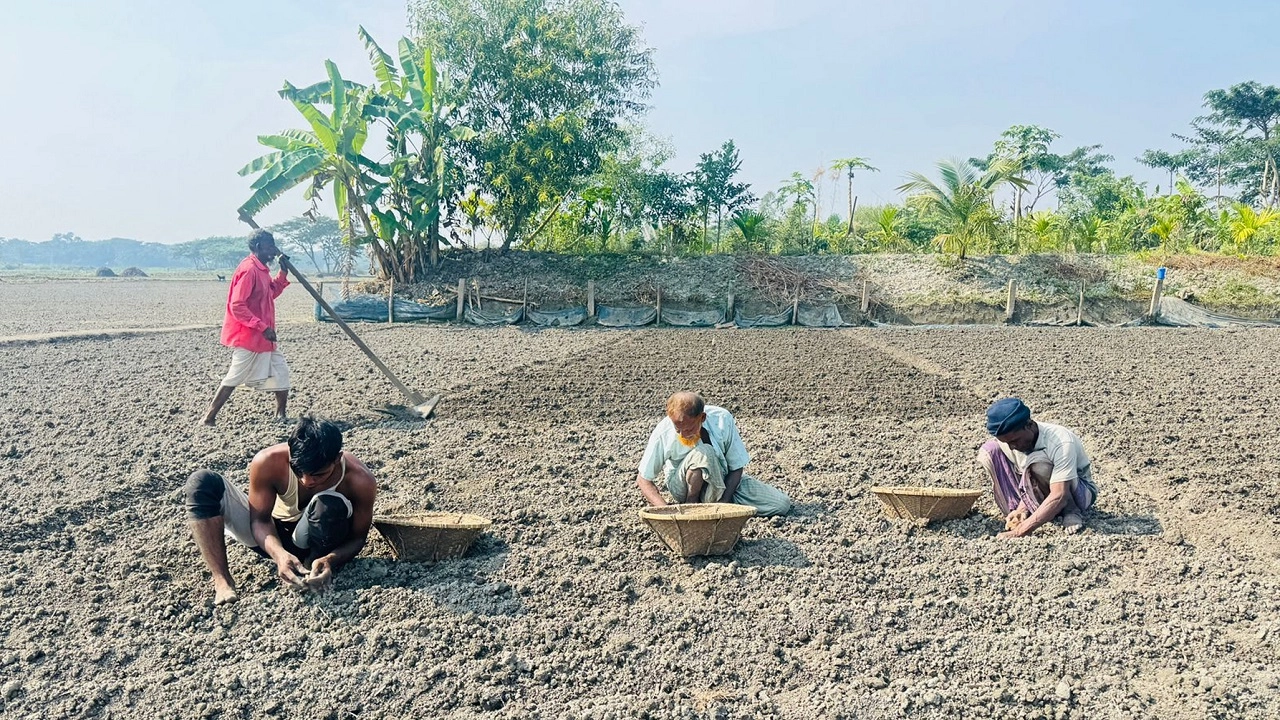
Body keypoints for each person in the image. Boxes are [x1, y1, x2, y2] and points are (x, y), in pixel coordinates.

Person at [185, 416, 376, 604]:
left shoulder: (360, 479)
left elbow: (357, 538)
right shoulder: (269, 462)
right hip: (273, 535)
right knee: (202, 482)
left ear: (337, 458)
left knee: (326, 505)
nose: (306, 481)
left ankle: (311, 566)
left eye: (319, 475)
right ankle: (222, 581)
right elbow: (259, 520)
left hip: (323, 540)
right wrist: (279, 554)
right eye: (298, 471)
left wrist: (330, 560)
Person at [636, 392, 791, 516]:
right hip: (683, 488)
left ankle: (713, 507)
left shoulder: (722, 420)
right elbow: (644, 479)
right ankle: (692, 507)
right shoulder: (663, 432)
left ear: (702, 417)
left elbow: (736, 467)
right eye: (678, 429)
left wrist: (724, 502)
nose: (683, 435)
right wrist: (666, 512)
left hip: (720, 484)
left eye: (689, 429)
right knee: (705, 452)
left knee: (781, 504)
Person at [201, 229, 291, 426]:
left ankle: (280, 414)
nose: (274, 252)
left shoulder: (262, 269)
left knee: (281, 371)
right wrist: (261, 327)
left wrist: (283, 271)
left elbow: (271, 293)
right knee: (235, 376)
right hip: (250, 336)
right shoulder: (249, 270)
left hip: (266, 338)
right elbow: (237, 305)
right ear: (258, 247)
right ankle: (209, 417)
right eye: (269, 248)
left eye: (274, 247)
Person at [977, 397, 1099, 539]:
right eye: (1006, 442)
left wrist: (1020, 531)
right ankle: (1023, 512)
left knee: (1039, 464)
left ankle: (1071, 511)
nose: (1012, 447)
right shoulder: (1010, 442)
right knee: (991, 451)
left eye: (1015, 441)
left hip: (1077, 491)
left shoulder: (1060, 441)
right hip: (1037, 489)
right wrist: (1022, 508)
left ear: (1029, 425)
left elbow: (1059, 493)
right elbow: (1027, 477)